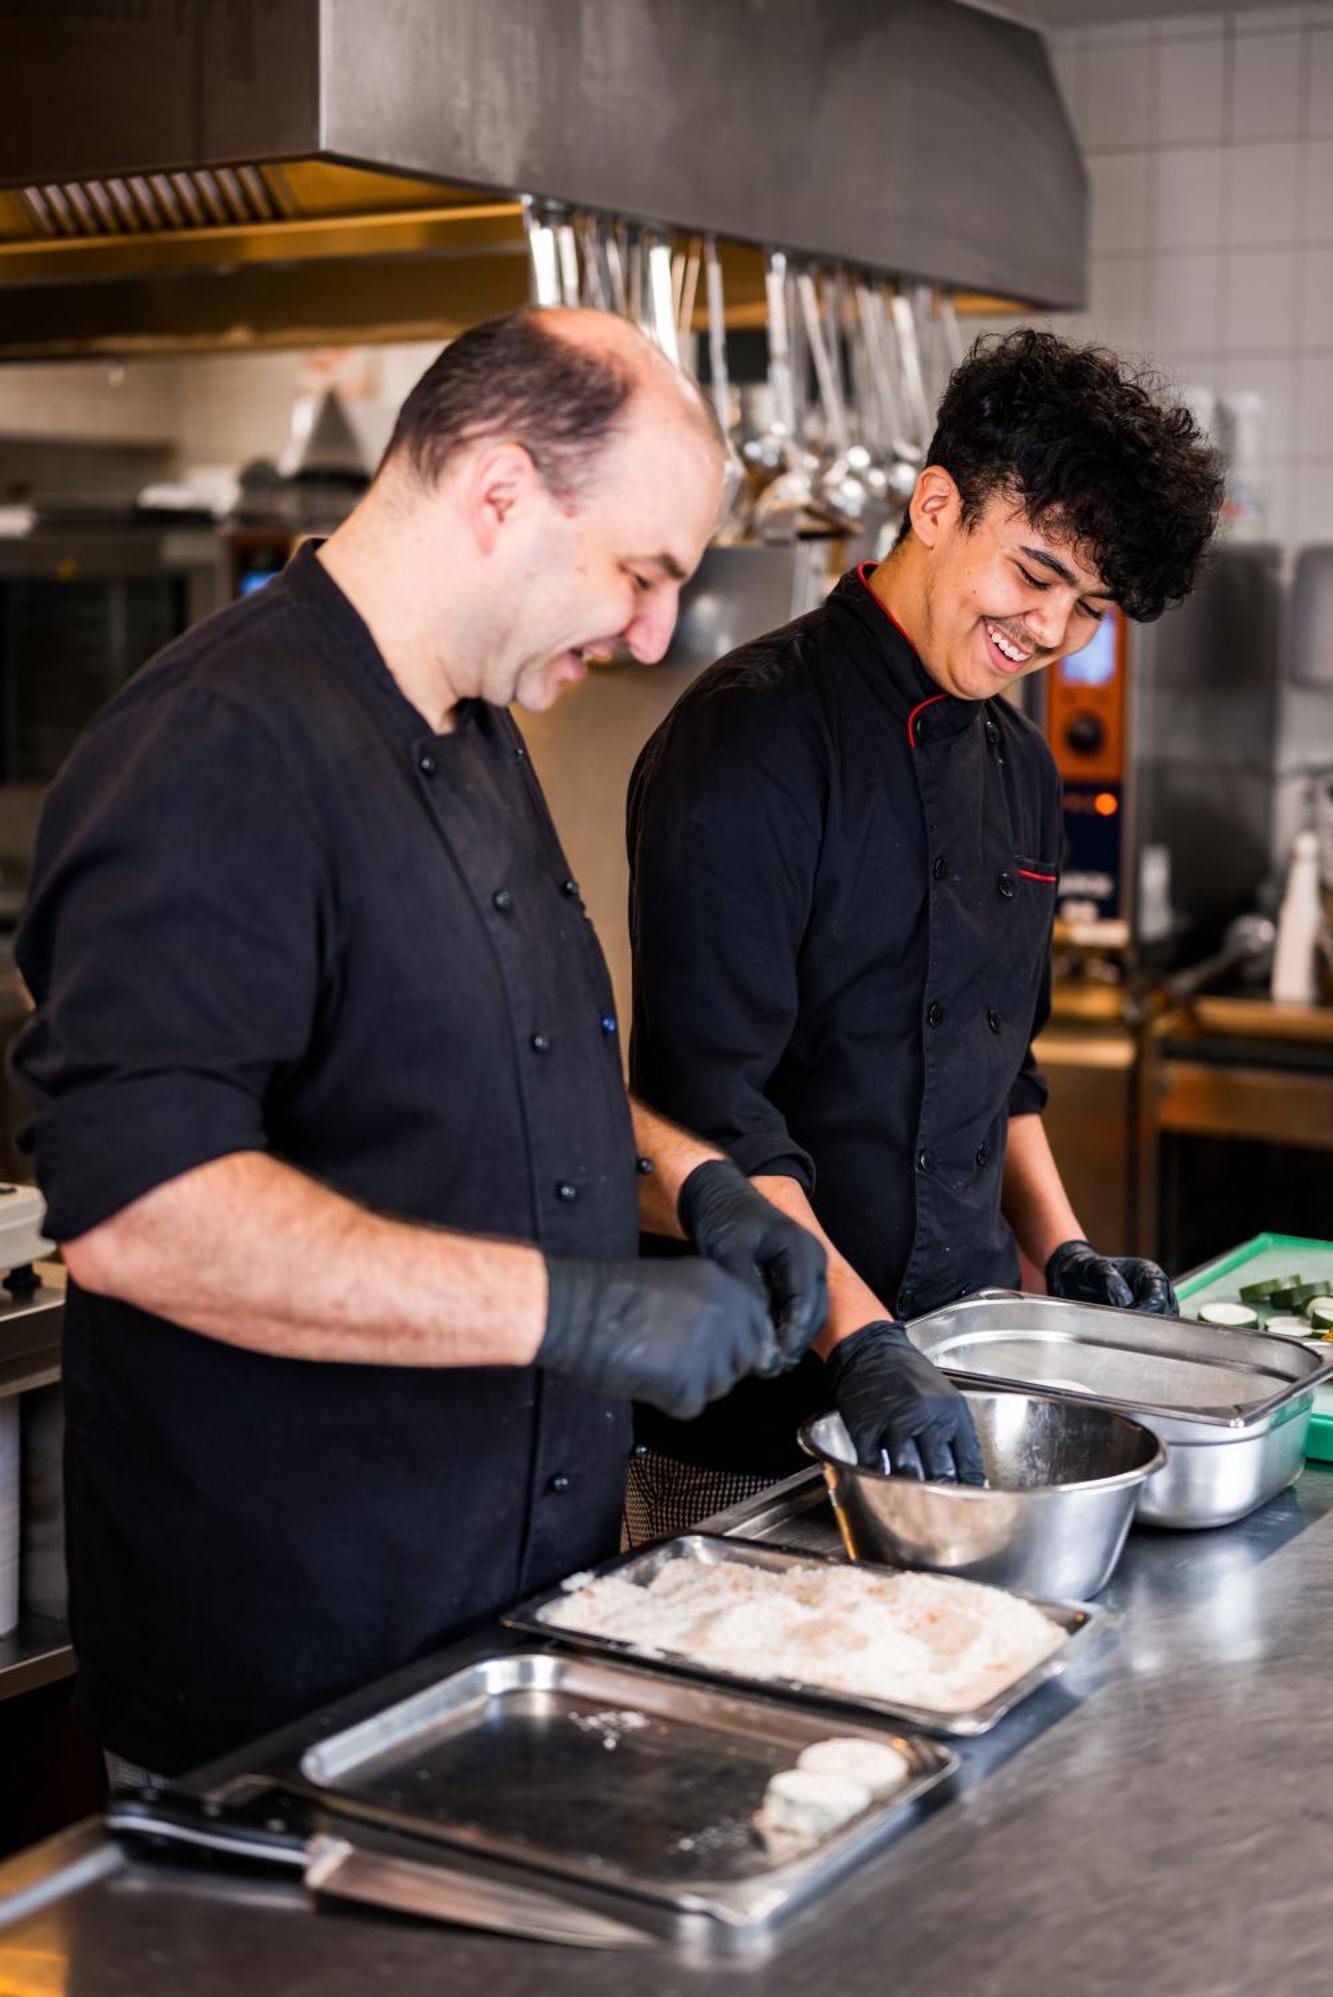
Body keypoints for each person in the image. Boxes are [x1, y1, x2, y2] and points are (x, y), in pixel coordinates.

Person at [11, 308, 828, 1779]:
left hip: (501, 1636)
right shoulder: (218, 747)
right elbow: (144, 1218)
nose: (653, 634)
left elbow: (491, 1073)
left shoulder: (477, 727)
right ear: (500, 491)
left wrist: (693, 1188)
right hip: (290, 1689)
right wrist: (572, 1314)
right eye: (642, 575)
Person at [625, 329, 1224, 1531]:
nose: (1051, 630)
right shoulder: (750, 740)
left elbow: (1001, 1064)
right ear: (936, 504)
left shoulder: (1020, 765)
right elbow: (708, 1114)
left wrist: (1060, 1253)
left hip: (964, 1385)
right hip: (750, 1416)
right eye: (1035, 573)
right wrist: (864, 1341)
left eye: (1089, 606)